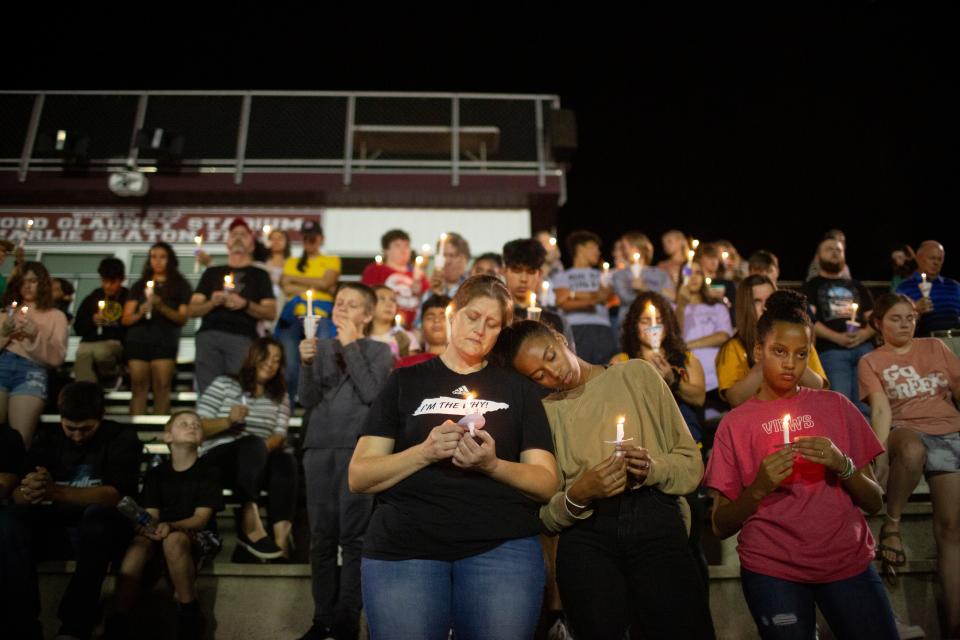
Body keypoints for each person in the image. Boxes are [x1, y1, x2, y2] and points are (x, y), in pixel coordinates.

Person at [349, 275, 557, 640]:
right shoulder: (404, 382)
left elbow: (545, 483)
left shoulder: (520, 390)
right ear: (452, 314)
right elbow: (360, 475)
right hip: (405, 547)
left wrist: (492, 465)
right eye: (473, 317)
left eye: (492, 324)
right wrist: (425, 452)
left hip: (500, 546)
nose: (480, 330)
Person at [495, 318, 714, 639]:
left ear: (559, 339)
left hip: (654, 519)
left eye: (551, 356)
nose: (554, 373)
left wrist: (652, 468)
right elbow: (543, 514)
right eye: (538, 375)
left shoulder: (635, 374)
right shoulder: (543, 413)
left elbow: (690, 465)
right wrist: (578, 495)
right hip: (587, 535)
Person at [706, 290, 897, 640]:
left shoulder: (837, 407)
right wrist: (759, 487)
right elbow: (719, 524)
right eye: (779, 351)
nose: (790, 363)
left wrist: (843, 465)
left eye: (801, 353)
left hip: (846, 562)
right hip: (772, 568)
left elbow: (874, 501)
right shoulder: (735, 424)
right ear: (758, 351)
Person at [1, 382, 140, 640]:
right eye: (70, 428)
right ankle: (24, 626)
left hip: (104, 530)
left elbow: (113, 495)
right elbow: (20, 496)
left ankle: (75, 626)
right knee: (8, 520)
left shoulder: (122, 437)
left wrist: (55, 492)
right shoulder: (48, 438)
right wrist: (31, 489)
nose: (77, 436)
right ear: (61, 419)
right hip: (58, 525)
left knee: (98, 518)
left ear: (101, 417)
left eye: (86, 429)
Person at [858, 293, 960, 638]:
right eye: (895, 318)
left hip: (949, 434)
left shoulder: (935, 347)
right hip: (906, 431)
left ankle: (954, 624)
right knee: (913, 450)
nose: (904, 324)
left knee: (950, 531)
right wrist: (877, 454)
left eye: (910, 318)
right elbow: (882, 411)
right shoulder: (872, 360)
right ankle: (893, 524)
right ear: (878, 324)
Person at [297, 282, 394, 640]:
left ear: (367, 315)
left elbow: (372, 394)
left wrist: (351, 344)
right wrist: (306, 363)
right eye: (339, 303)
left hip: (358, 450)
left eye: (352, 305)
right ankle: (321, 618)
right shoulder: (319, 347)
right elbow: (306, 400)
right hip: (319, 447)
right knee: (321, 538)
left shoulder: (379, 350)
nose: (342, 309)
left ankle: (346, 619)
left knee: (353, 538)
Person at [108, 410, 223, 640]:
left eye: (196, 425)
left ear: (201, 439)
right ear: (168, 436)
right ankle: (118, 619)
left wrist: (170, 526)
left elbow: (201, 519)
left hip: (200, 534)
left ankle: (189, 611)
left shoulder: (209, 471)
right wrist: (146, 527)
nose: (192, 426)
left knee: (174, 539)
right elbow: (151, 514)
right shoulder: (156, 474)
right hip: (164, 529)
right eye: (184, 424)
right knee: (138, 545)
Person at [196, 337, 296, 561]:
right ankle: (249, 523)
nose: (271, 364)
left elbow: (279, 435)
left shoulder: (280, 395)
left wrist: (260, 449)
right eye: (266, 357)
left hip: (258, 460)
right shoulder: (224, 383)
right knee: (251, 443)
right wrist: (228, 421)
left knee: (285, 460)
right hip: (220, 460)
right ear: (253, 357)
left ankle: (281, 542)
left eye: (277, 360)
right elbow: (198, 428)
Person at [189, 217, 277, 393]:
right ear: (227, 243)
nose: (238, 237)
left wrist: (244, 304)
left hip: (243, 337)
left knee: (238, 391)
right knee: (208, 393)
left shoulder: (260, 275)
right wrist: (212, 302)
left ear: (252, 244)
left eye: (243, 234)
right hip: (209, 335)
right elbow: (192, 310)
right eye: (234, 234)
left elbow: (270, 312)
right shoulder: (211, 273)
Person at [717, 276, 828, 408]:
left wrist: (791, 350)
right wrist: (767, 355)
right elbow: (735, 399)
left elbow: (819, 388)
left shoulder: (800, 340)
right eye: (757, 301)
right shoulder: (733, 347)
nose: (765, 307)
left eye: (769, 300)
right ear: (745, 307)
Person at [803, 236, 875, 413]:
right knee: (840, 404)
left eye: (839, 249)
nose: (835, 252)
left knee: (868, 404)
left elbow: (874, 317)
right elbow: (809, 320)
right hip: (832, 351)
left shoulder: (857, 286)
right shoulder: (811, 286)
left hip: (864, 350)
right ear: (818, 257)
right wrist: (836, 337)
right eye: (829, 249)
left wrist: (864, 334)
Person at [0, 261, 69, 446]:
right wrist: (4, 334)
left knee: (20, 440)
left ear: (43, 283)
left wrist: (34, 336)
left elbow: (57, 357)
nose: (27, 286)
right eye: (23, 282)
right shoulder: (8, 312)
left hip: (32, 372)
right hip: (2, 365)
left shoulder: (56, 316)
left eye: (33, 281)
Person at [123, 242, 193, 415]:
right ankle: (136, 433)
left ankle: (161, 434)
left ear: (170, 260)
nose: (158, 261)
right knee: (139, 387)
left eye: (162, 257)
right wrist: (140, 313)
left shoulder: (180, 285)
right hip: (138, 341)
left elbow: (182, 318)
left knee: (162, 386)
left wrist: (160, 305)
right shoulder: (139, 285)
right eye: (154, 257)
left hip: (165, 342)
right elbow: (125, 318)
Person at [276, 220, 341, 405]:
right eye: (305, 238)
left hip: (322, 316)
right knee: (289, 360)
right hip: (295, 317)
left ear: (321, 239)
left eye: (313, 237)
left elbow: (326, 283)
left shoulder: (332, 260)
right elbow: (286, 287)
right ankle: (287, 402)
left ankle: (322, 398)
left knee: (323, 354)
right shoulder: (291, 261)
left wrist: (296, 281)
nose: (309, 241)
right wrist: (316, 282)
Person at [554, 230, 617, 365]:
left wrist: (573, 294)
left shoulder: (602, 274)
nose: (598, 252)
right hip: (576, 329)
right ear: (580, 248)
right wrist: (592, 299)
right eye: (594, 247)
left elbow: (605, 296)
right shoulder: (563, 276)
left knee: (606, 372)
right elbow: (562, 302)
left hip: (603, 328)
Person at [501, 238, 575, 346]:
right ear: (504, 271)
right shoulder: (497, 316)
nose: (523, 279)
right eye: (517, 270)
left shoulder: (556, 320)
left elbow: (570, 361)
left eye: (531, 272)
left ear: (539, 274)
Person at [676, 260, 733, 399]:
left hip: (717, 378)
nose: (693, 277)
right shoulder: (674, 309)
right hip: (691, 380)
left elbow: (723, 336)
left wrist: (688, 345)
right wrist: (681, 306)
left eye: (698, 273)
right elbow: (675, 336)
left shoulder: (717, 307)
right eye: (688, 273)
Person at [895, 240, 960, 356]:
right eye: (932, 258)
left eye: (939, 259)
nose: (936, 262)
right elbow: (896, 321)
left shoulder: (953, 286)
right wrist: (915, 310)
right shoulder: (904, 287)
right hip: (926, 343)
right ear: (918, 258)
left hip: (956, 340)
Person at [72, 257, 128, 388]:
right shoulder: (94, 296)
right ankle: (87, 394)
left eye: (112, 282)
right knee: (82, 355)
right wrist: (92, 320)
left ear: (122, 279)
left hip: (114, 342)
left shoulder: (128, 297)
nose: (107, 286)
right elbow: (78, 326)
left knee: (100, 352)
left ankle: (111, 376)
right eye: (104, 281)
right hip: (89, 342)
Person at [361, 228, 430, 329]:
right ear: (386, 250)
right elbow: (365, 299)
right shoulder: (375, 271)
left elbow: (428, 303)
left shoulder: (419, 275)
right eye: (397, 245)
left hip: (414, 330)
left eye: (406, 246)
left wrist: (420, 292)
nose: (404, 250)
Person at [612, 231, 677, 329]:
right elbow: (625, 298)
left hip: (657, 324)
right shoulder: (620, 275)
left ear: (638, 247)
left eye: (626, 247)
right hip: (630, 325)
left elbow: (672, 298)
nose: (624, 251)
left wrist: (644, 288)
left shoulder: (659, 273)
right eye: (622, 248)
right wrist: (659, 292)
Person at [396, 295, 450, 369]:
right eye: (430, 317)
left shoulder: (466, 365)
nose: (436, 320)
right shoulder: (408, 365)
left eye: (443, 316)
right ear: (421, 326)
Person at [369, 285, 420, 360]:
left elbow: (414, 368)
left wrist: (404, 352)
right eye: (382, 299)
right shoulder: (361, 337)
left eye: (393, 300)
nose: (389, 304)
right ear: (369, 305)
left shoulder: (407, 337)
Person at [429, 232, 471, 298]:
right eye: (444, 256)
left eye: (452, 256)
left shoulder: (472, 285)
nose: (447, 261)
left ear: (464, 258)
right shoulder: (432, 286)